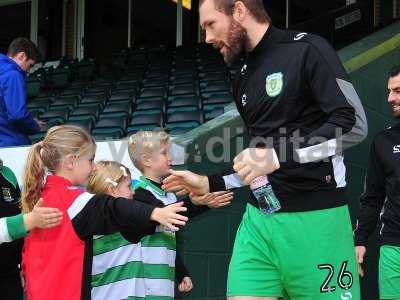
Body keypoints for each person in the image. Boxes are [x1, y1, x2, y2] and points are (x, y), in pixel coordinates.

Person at [162, 0, 368, 299]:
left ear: (240, 10)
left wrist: (277, 155)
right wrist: (210, 182)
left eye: (210, 24)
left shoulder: (308, 49)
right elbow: (257, 161)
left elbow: (353, 125)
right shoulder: (242, 77)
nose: (207, 38)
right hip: (259, 220)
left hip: (317, 221)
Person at [21, 125, 188, 300]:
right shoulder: (75, 201)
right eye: (90, 160)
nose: (94, 167)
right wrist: (154, 213)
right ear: (70, 162)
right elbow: (113, 207)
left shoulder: (40, 198)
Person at [128, 131, 233, 299]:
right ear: (147, 160)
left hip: (165, 278)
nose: (170, 157)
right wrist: (198, 202)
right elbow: (168, 214)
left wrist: (181, 273)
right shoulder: (138, 191)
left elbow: (171, 233)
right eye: (164, 153)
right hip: (144, 279)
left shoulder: (168, 194)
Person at [87, 160, 195, 299]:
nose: (134, 192)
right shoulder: (125, 223)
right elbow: (162, 216)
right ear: (112, 190)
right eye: (129, 186)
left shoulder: (90, 224)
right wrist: (196, 202)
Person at [354, 65, 400, 300]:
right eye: (390, 91)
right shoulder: (384, 141)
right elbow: (373, 197)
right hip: (394, 246)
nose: (390, 98)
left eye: (398, 91)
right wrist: (360, 239)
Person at [0, 158, 62, 300]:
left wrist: (22, 265)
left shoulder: (7, 173)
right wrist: (29, 220)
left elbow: (18, 214)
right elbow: (24, 220)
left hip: (10, 274)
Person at [0, 37, 45, 147]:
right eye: (30, 65)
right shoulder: (13, 75)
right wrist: (34, 125)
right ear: (21, 56)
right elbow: (17, 115)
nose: (28, 71)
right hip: (8, 142)